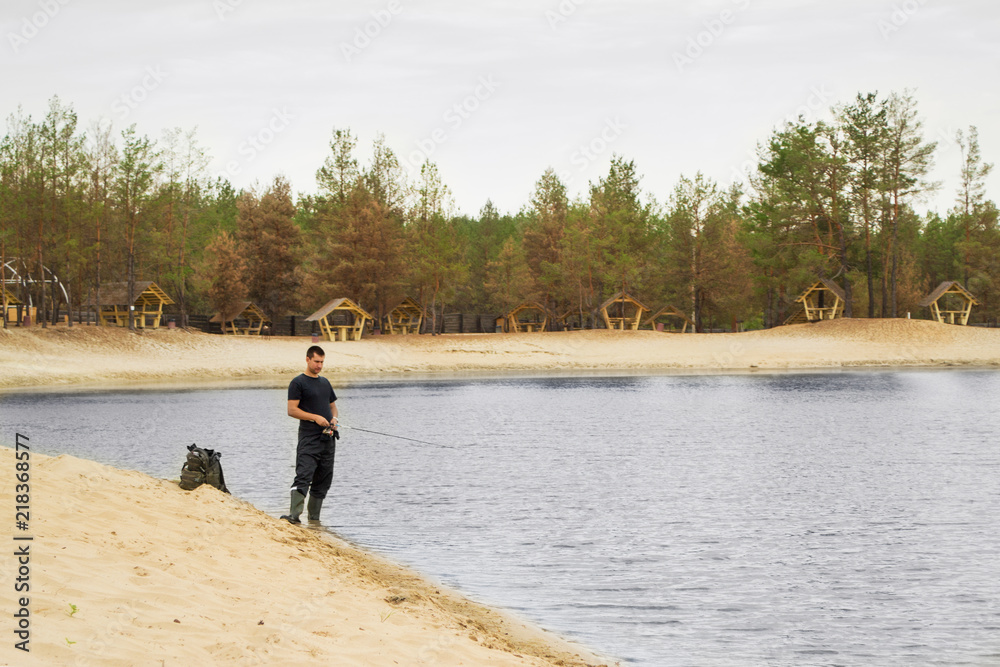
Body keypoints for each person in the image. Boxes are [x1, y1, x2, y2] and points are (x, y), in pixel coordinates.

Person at [281, 345, 338, 524]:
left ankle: (314, 522)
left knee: (324, 479)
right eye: (316, 362)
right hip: (309, 439)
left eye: (322, 362)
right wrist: (315, 418)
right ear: (307, 359)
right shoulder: (298, 383)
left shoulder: (325, 382)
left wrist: (334, 419)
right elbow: (292, 410)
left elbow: (332, 407)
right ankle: (294, 516)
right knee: (304, 475)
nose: (319, 365)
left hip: (327, 439)